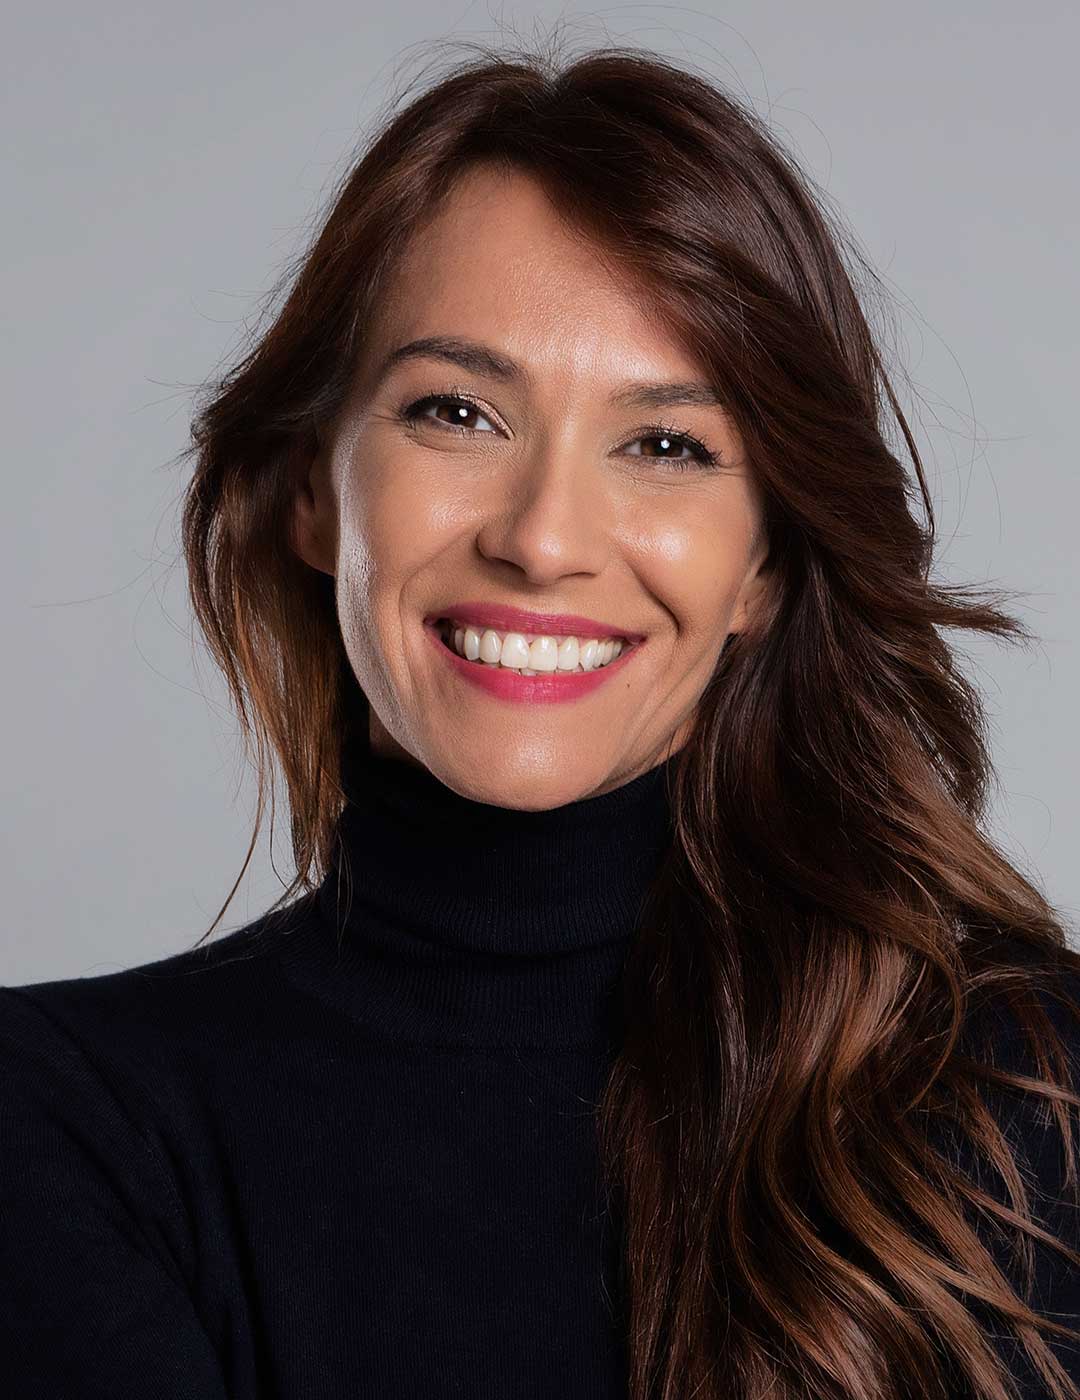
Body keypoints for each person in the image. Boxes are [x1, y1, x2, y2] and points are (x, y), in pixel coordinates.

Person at [3, 39, 1079, 1400]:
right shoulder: (64, 1128)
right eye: (457, 412)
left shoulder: (1029, 1102)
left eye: (667, 445)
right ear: (311, 491)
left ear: (762, 565)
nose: (546, 538)